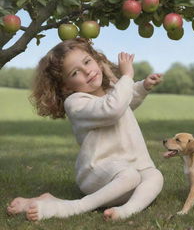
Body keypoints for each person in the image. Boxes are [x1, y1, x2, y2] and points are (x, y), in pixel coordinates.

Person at [7, 38, 164, 221]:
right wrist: (127, 76)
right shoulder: (75, 103)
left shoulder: (111, 89)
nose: (87, 71)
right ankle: (74, 207)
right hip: (97, 171)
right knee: (130, 176)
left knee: (155, 176)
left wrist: (142, 87)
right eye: (75, 72)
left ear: (97, 60)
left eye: (88, 61)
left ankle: (127, 210)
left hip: (126, 170)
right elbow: (113, 109)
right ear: (65, 86)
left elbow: (125, 103)